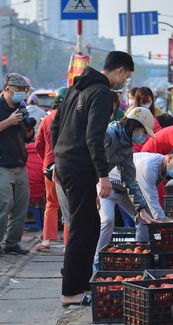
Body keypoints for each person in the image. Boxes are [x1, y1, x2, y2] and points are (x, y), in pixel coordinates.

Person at [51, 50, 134, 307]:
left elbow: (56, 125)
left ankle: (82, 282)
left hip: (66, 163)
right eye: (127, 76)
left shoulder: (76, 88)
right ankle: (70, 292)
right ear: (120, 70)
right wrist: (103, 175)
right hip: (79, 165)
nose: (125, 82)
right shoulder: (99, 92)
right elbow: (93, 137)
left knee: (88, 225)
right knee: (82, 227)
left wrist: (57, 157)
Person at [93, 107, 157, 266]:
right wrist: (98, 182)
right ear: (135, 126)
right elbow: (93, 159)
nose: (144, 137)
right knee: (107, 219)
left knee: (144, 216)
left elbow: (129, 180)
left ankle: (139, 256)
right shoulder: (110, 135)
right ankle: (96, 261)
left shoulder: (127, 146)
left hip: (116, 187)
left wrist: (141, 208)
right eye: (143, 131)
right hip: (98, 183)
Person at [0, 73, 35, 255]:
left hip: (20, 163)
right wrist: (9, 121)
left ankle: (12, 243)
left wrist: (26, 127)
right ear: (7, 89)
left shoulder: (22, 107)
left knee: (20, 206)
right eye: (18, 89)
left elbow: (29, 137)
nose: (21, 93)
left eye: (24, 90)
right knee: (4, 202)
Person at [34, 87, 68, 252]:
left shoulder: (46, 120)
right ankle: (68, 244)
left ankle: (47, 240)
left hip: (49, 166)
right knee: (69, 205)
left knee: (51, 203)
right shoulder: (73, 119)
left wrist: (45, 162)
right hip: (69, 167)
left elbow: (38, 144)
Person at [125, 86, 163, 152]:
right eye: (143, 102)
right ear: (138, 101)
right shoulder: (131, 111)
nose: (146, 105)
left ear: (152, 100)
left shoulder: (157, 110)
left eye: (148, 102)